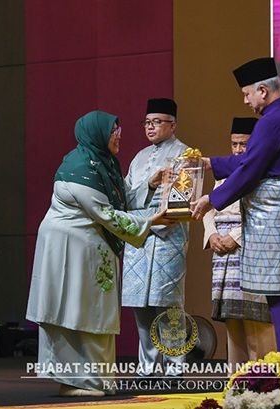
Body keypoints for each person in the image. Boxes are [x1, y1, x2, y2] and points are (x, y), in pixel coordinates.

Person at [26, 110, 174, 397]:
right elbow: (106, 213)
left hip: (89, 246)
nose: (118, 135)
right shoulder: (79, 168)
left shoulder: (103, 163)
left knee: (90, 311)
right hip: (68, 249)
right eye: (113, 131)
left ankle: (96, 380)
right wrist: (149, 222)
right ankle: (79, 381)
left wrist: (150, 184)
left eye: (118, 129)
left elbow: (119, 199)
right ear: (97, 134)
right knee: (75, 310)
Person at [191, 57, 280, 357]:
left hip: (279, 225)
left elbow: (250, 169)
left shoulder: (272, 121)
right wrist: (210, 163)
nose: (246, 101)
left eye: (247, 94)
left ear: (262, 90)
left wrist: (211, 199)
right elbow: (249, 161)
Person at [122, 98, 190, 377]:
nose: (150, 127)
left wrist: (150, 220)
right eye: (147, 122)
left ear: (172, 125)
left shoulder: (185, 154)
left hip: (167, 238)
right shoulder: (139, 157)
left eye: (157, 122)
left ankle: (175, 367)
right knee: (141, 305)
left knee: (169, 304)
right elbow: (126, 198)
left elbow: (181, 201)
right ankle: (148, 367)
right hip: (139, 239)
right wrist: (150, 185)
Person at [202, 117, 276, 367]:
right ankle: (236, 377)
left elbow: (264, 213)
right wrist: (211, 234)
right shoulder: (225, 173)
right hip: (222, 253)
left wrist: (234, 238)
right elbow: (210, 207)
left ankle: (262, 378)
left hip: (249, 247)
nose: (238, 150)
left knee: (255, 318)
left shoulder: (263, 172)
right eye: (234, 144)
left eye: (243, 144)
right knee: (233, 319)